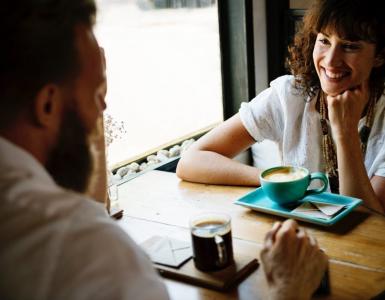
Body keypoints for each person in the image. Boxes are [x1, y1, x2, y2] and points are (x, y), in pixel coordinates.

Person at [0, 1, 327, 299]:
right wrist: (288, 289)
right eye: (96, 93)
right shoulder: (89, 250)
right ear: (47, 105)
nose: (103, 108)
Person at [177, 0, 385, 214]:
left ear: (379, 55)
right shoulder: (291, 94)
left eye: (350, 46)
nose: (331, 60)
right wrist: (277, 181)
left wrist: (345, 132)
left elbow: (371, 221)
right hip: (297, 237)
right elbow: (191, 161)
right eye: (324, 40)